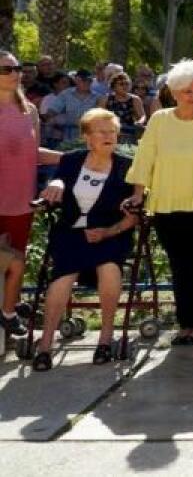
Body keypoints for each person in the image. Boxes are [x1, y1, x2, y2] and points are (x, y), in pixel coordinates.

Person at [125, 59, 193, 347]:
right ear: (173, 92)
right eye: (187, 91)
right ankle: (185, 325)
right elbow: (145, 158)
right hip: (169, 206)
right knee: (180, 266)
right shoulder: (159, 121)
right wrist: (137, 192)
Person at [32, 109, 137, 371]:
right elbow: (59, 178)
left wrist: (107, 232)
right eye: (102, 131)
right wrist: (56, 183)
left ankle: (105, 338)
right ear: (87, 137)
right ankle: (45, 345)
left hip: (111, 233)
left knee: (110, 267)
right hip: (71, 233)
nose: (109, 136)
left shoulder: (127, 166)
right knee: (63, 275)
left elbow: (132, 218)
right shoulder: (71, 160)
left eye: (112, 131)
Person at [0, 51, 62, 337]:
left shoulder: (30, 111)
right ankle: (9, 311)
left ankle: (9, 310)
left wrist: (71, 158)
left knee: (17, 261)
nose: (15, 74)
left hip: (21, 202)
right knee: (9, 260)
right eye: (6, 69)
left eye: (18, 68)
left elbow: (33, 154)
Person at [45, 69, 100, 143]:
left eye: (90, 81)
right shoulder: (66, 94)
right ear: (76, 80)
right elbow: (51, 112)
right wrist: (57, 119)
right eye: (84, 80)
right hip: (67, 137)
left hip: (89, 137)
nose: (87, 83)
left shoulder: (98, 97)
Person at [98, 71, 146, 144]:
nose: (125, 86)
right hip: (110, 133)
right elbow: (98, 117)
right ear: (114, 86)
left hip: (129, 133)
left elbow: (142, 116)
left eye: (127, 84)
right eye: (121, 84)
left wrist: (140, 122)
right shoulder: (105, 99)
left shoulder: (135, 99)